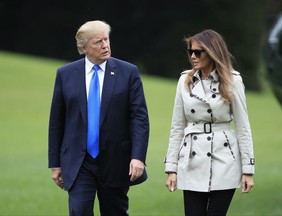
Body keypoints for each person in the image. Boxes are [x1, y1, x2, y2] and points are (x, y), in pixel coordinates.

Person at [48, 20, 150, 216]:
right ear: (83, 47)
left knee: (115, 212)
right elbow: (56, 122)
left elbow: (139, 118)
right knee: (79, 211)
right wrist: (55, 163)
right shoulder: (65, 74)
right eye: (98, 42)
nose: (105, 45)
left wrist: (137, 157)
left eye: (106, 39)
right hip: (79, 161)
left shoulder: (128, 72)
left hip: (115, 160)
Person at [164, 29, 255, 216]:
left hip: (224, 159)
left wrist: (248, 170)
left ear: (213, 52)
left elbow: (243, 127)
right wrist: (171, 168)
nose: (193, 56)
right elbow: (177, 127)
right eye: (191, 52)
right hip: (192, 160)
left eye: (199, 52)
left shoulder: (232, 81)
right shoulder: (184, 80)